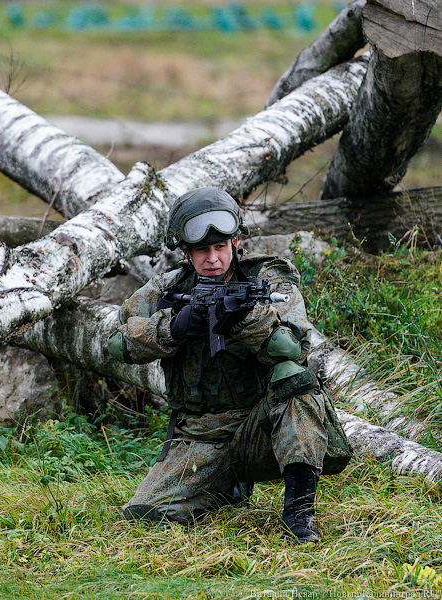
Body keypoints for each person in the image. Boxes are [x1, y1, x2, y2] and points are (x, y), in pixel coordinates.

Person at [107, 187, 350, 543]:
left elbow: (292, 346)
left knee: (296, 382)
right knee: (145, 516)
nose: (213, 259)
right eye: (202, 250)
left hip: (260, 427)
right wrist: (173, 327)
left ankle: (299, 515)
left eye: (220, 247)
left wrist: (245, 318)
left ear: (235, 243)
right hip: (200, 435)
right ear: (186, 253)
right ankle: (225, 488)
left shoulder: (265, 280)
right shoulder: (167, 288)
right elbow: (116, 342)